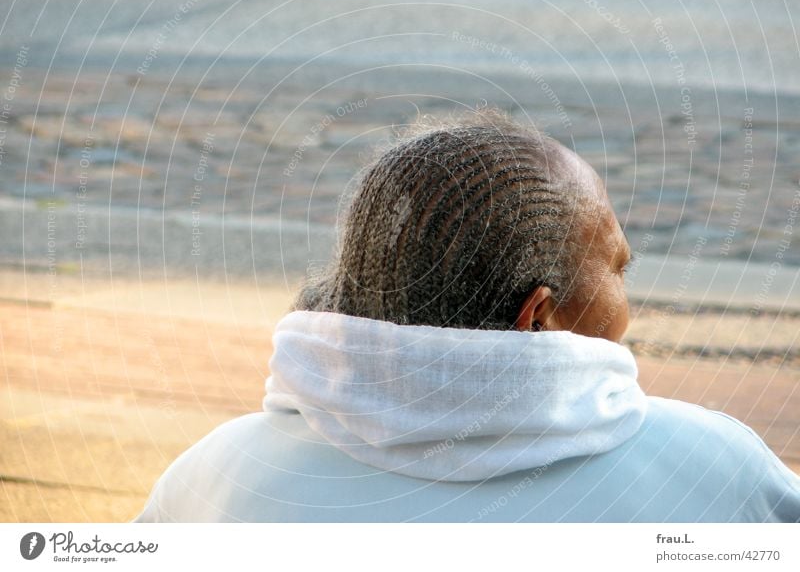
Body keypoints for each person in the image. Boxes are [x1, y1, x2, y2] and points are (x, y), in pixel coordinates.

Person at [136, 110, 800, 522]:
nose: (629, 294)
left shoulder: (214, 478)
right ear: (537, 317)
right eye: (617, 269)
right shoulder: (711, 472)